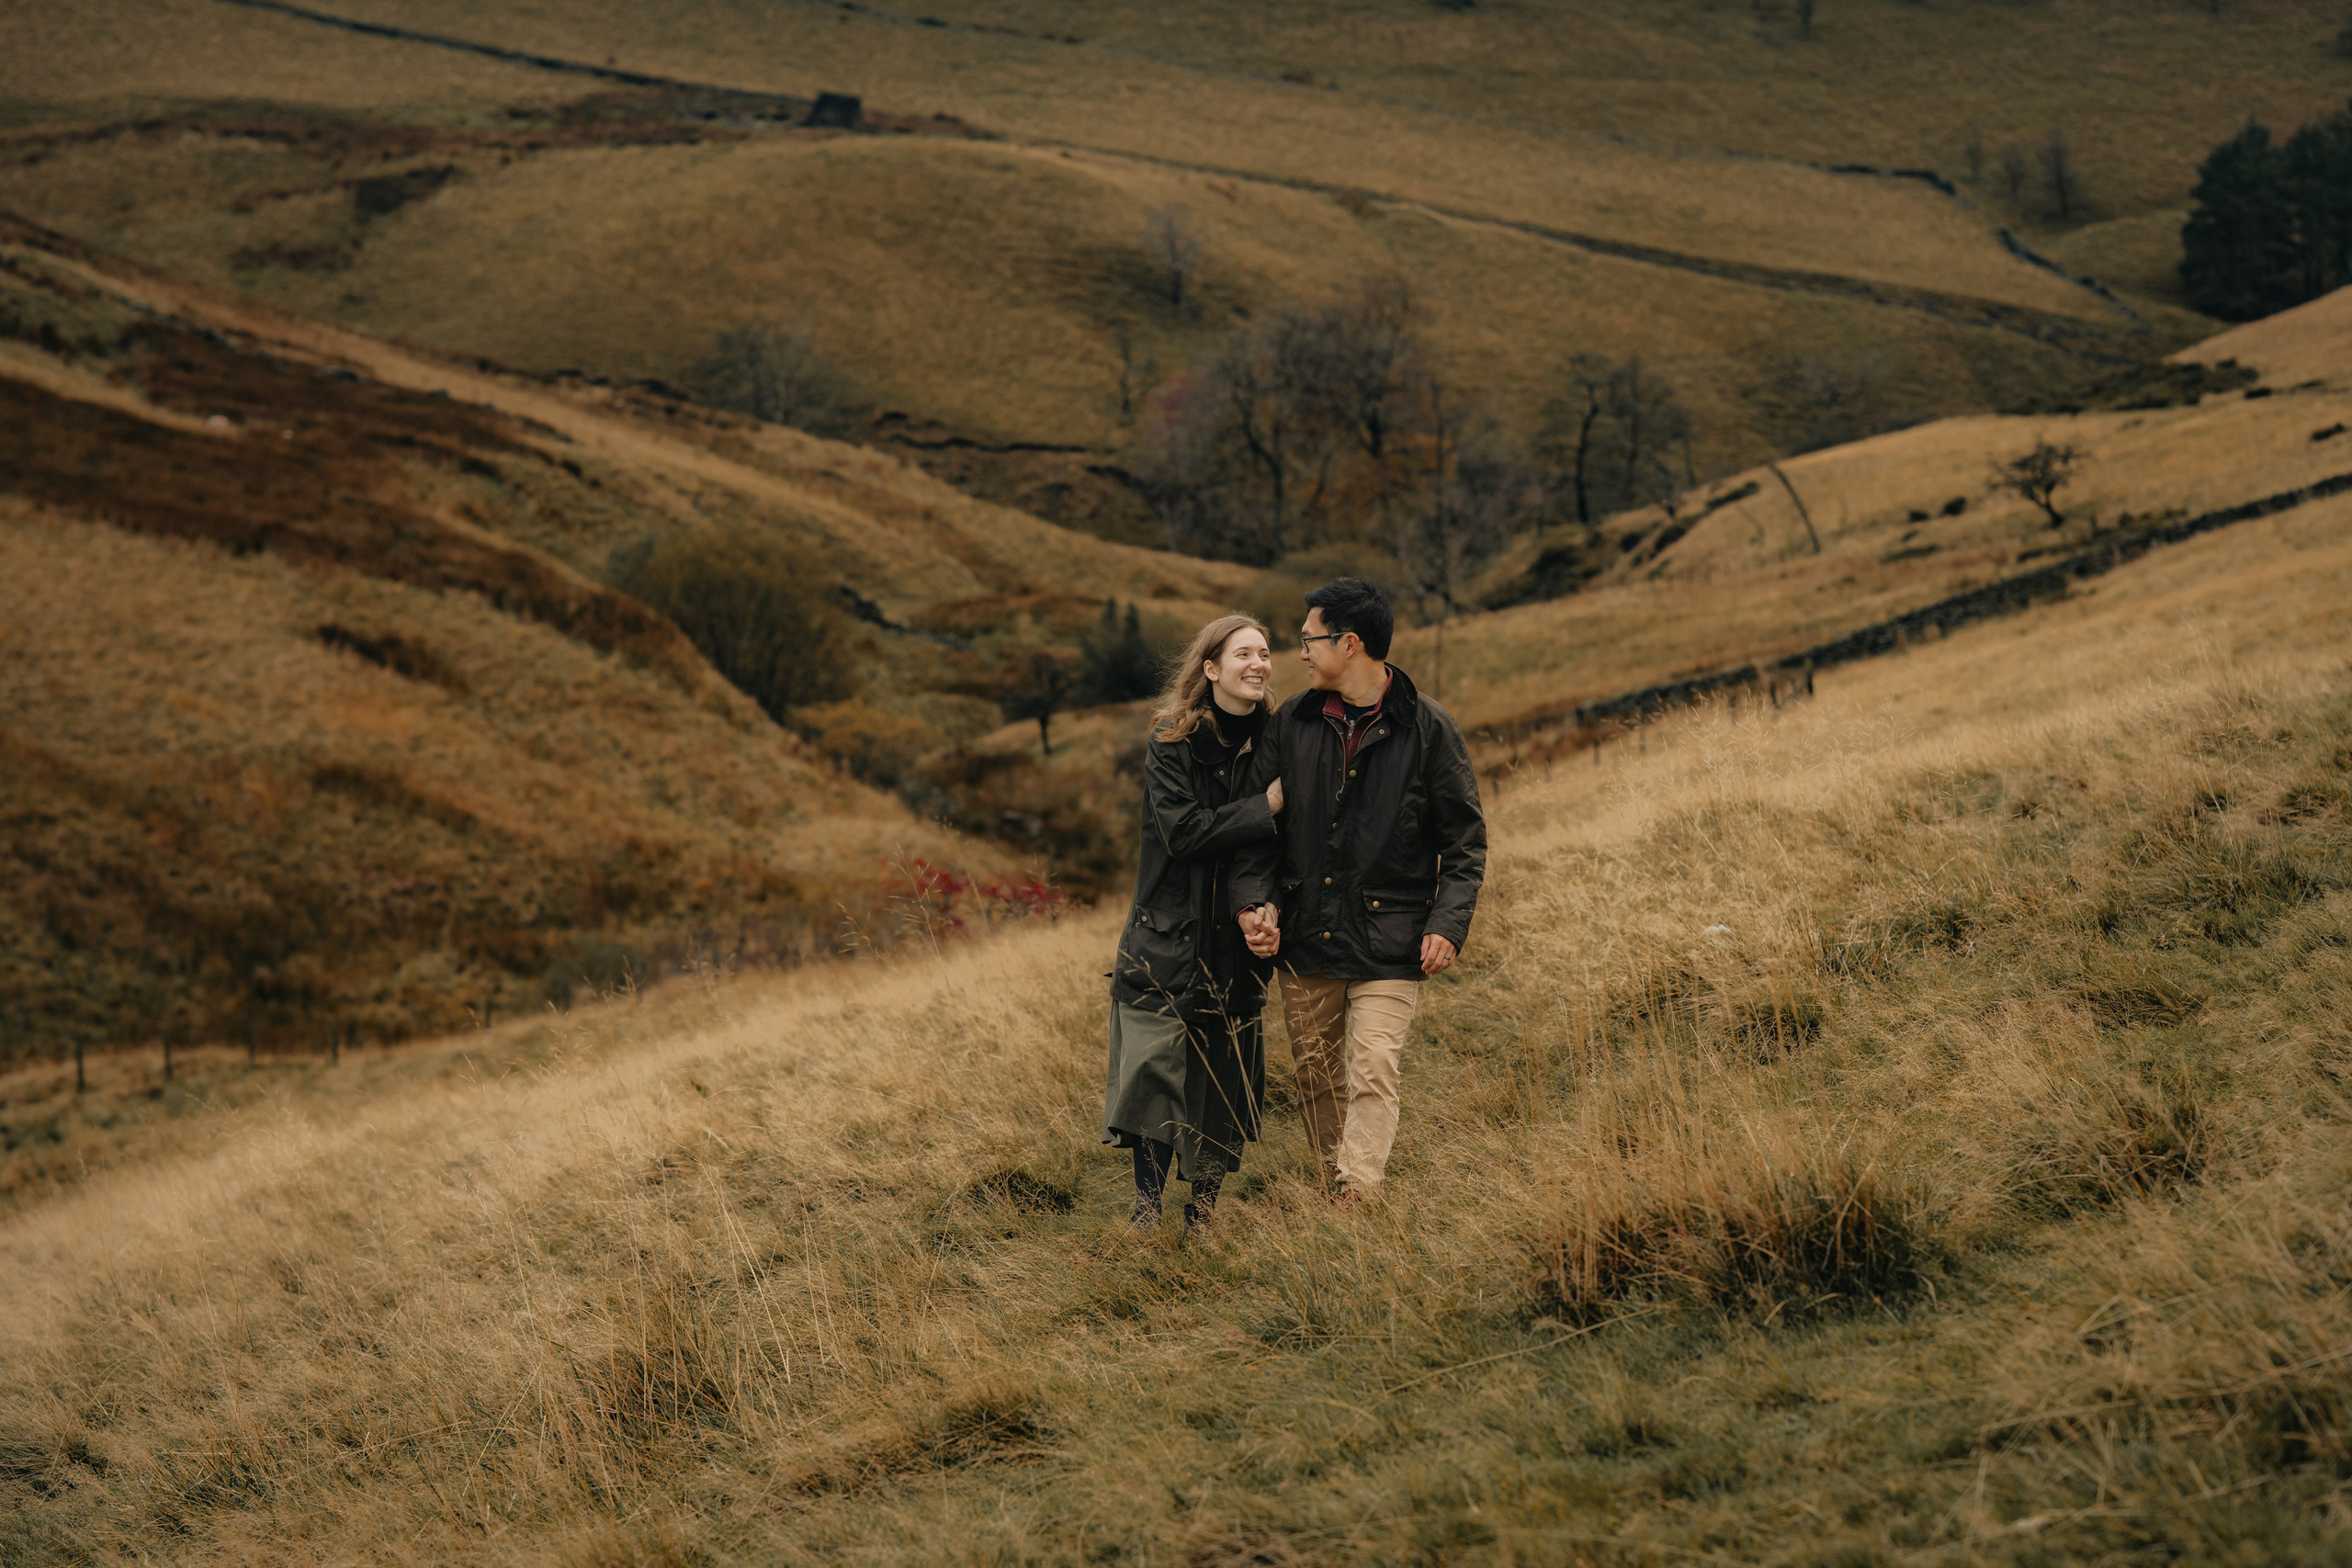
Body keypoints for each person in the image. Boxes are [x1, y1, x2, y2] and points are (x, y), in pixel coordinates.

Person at [1229, 577, 1487, 1201]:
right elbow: (1256, 830)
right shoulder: (1290, 722)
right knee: (1316, 1075)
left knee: (1374, 1065)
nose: (1300, 653)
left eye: (1309, 639)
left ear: (1350, 643)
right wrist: (1254, 901)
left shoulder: (1430, 730)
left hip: (1392, 938)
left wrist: (1447, 924)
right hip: (1306, 936)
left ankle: (1356, 1192)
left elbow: (1465, 842)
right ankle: (1333, 1179)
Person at [1103, 614, 1286, 1231]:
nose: (1259, 663)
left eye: (1265, 652)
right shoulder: (1170, 742)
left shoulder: (1277, 744)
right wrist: (1262, 807)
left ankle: (1202, 1213)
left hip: (1235, 946)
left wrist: (1265, 907)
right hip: (1165, 940)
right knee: (1155, 1074)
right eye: (1243, 653)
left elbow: (1276, 850)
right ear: (1210, 668)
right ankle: (1146, 1209)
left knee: (1221, 1079)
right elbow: (1181, 833)